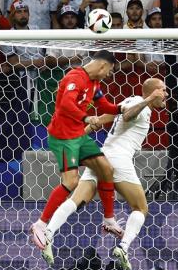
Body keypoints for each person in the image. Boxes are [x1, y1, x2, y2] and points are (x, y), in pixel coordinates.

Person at [40, 78, 168, 268]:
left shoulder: (128, 101)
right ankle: (123, 247)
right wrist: (149, 100)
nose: (166, 95)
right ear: (153, 91)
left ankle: (47, 234)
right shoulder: (140, 105)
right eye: (163, 90)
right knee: (140, 208)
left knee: (75, 200)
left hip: (102, 156)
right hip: (118, 160)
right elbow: (127, 117)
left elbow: (104, 118)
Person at [29, 50, 123, 252]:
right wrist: (87, 118)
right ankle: (41, 223)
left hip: (78, 135)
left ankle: (108, 219)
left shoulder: (95, 83)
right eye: (109, 71)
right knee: (71, 181)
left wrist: (122, 108)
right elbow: (65, 104)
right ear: (102, 66)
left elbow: (104, 104)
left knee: (106, 169)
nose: (109, 75)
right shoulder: (75, 78)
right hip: (63, 137)